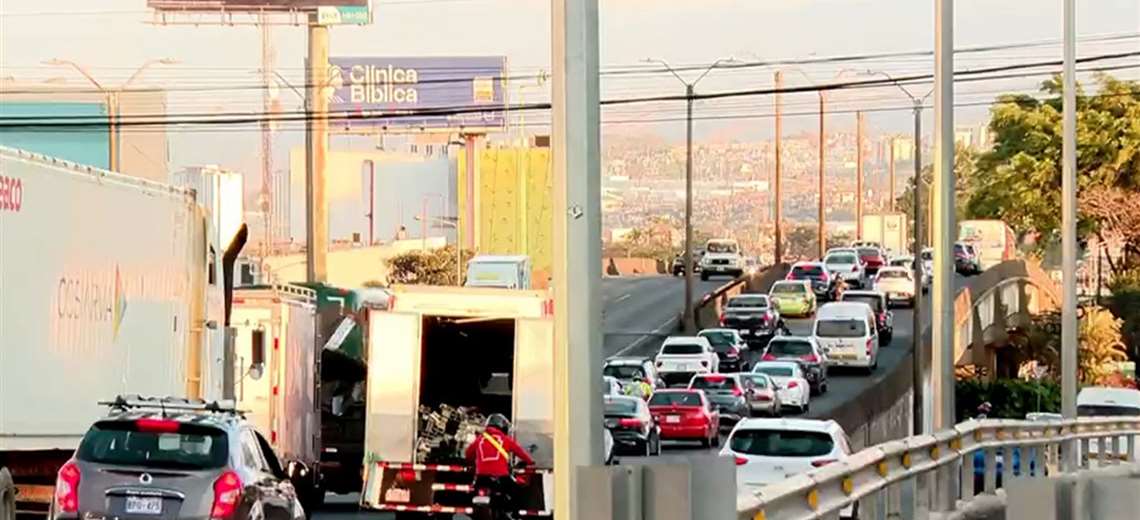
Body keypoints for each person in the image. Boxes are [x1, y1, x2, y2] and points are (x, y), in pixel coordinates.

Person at [465, 414, 534, 510]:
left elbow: (468, 453)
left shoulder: (479, 439)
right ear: (502, 426)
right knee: (517, 493)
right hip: (500, 477)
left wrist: (473, 461)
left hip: (481, 477)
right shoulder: (505, 439)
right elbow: (520, 452)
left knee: (471, 494)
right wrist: (530, 462)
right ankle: (515, 515)